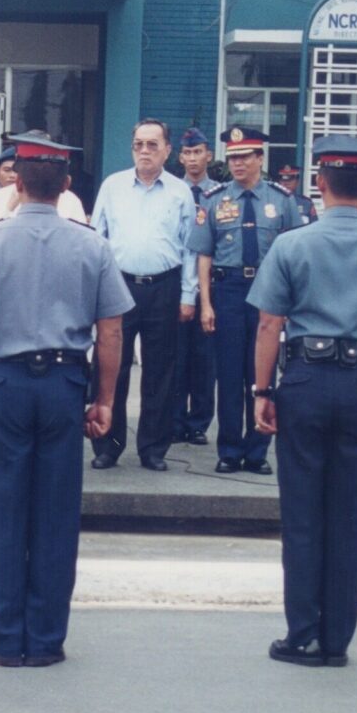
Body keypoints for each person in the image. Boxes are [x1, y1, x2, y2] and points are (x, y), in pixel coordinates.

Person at [0, 132, 132, 667]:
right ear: (67, 185)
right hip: (65, 386)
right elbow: (111, 332)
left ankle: (4, 635)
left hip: (3, 384)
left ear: (16, 185)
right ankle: (46, 638)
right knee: (56, 513)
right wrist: (106, 401)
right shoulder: (92, 244)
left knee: (4, 512)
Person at [248, 136, 357, 667]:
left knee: (304, 510)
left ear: (320, 183)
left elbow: (269, 322)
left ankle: (304, 633)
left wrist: (262, 391)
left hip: (307, 381)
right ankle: (338, 637)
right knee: (352, 512)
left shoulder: (292, 244)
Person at [190, 127, 302, 474]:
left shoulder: (282, 201)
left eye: (244, 156)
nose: (237, 163)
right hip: (228, 290)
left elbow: (294, 256)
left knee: (262, 373)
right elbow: (204, 256)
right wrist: (206, 303)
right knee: (228, 373)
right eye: (233, 157)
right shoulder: (214, 199)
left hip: (268, 293)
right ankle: (229, 450)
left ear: (259, 159)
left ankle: (257, 452)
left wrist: (290, 306)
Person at [89, 118, 197, 472]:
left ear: (168, 150)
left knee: (160, 373)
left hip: (164, 288)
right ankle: (110, 445)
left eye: (153, 145)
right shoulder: (113, 186)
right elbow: (96, 239)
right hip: (119, 287)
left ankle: (153, 449)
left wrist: (188, 295)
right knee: (111, 370)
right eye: (139, 144)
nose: (145, 151)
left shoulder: (180, 191)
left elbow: (190, 248)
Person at [173, 127, 218, 446]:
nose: (192, 158)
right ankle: (173, 420)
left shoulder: (221, 194)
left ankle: (198, 422)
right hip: (174, 285)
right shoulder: (172, 192)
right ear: (180, 157)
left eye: (197, 152)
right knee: (175, 357)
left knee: (205, 359)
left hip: (211, 288)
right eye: (187, 153)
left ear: (209, 156)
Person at [0, 138, 86, 225]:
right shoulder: (0, 196)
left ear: (19, 181)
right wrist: (9, 208)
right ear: (66, 183)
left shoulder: (71, 200)